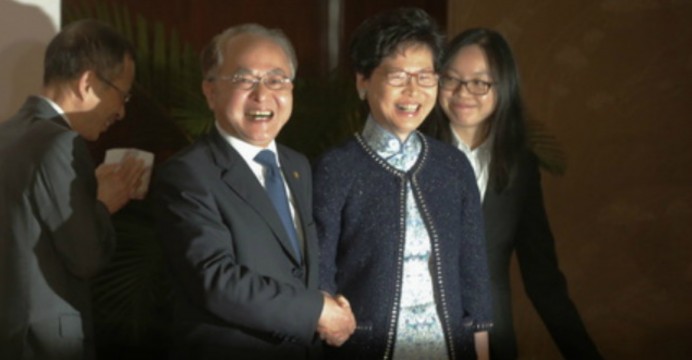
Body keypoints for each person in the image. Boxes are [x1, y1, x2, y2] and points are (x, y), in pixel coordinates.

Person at [152, 24, 356, 360]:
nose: (262, 95)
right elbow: (216, 281)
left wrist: (326, 303)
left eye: (276, 80)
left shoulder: (297, 165)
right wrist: (315, 311)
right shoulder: (188, 174)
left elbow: (291, 265)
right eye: (244, 80)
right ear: (210, 90)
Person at [314, 8, 493, 360]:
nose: (413, 91)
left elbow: (473, 273)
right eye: (397, 76)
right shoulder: (335, 168)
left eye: (425, 77)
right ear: (363, 81)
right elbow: (319, 274)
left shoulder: (453, 166)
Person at [421, 27, 603, 359]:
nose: (464, 92)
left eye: (480, 82)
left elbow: (542, 277)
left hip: (491, 342)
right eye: (452, 79)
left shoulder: (520, 168)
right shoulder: (411, 155)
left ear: (503, 87)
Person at [0, 19, 146, 359]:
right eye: (122, 95)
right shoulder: (60, 143)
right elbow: (86, 258)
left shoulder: (6, 134)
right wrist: (103, 204)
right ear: (88, 83)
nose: (121, 112)